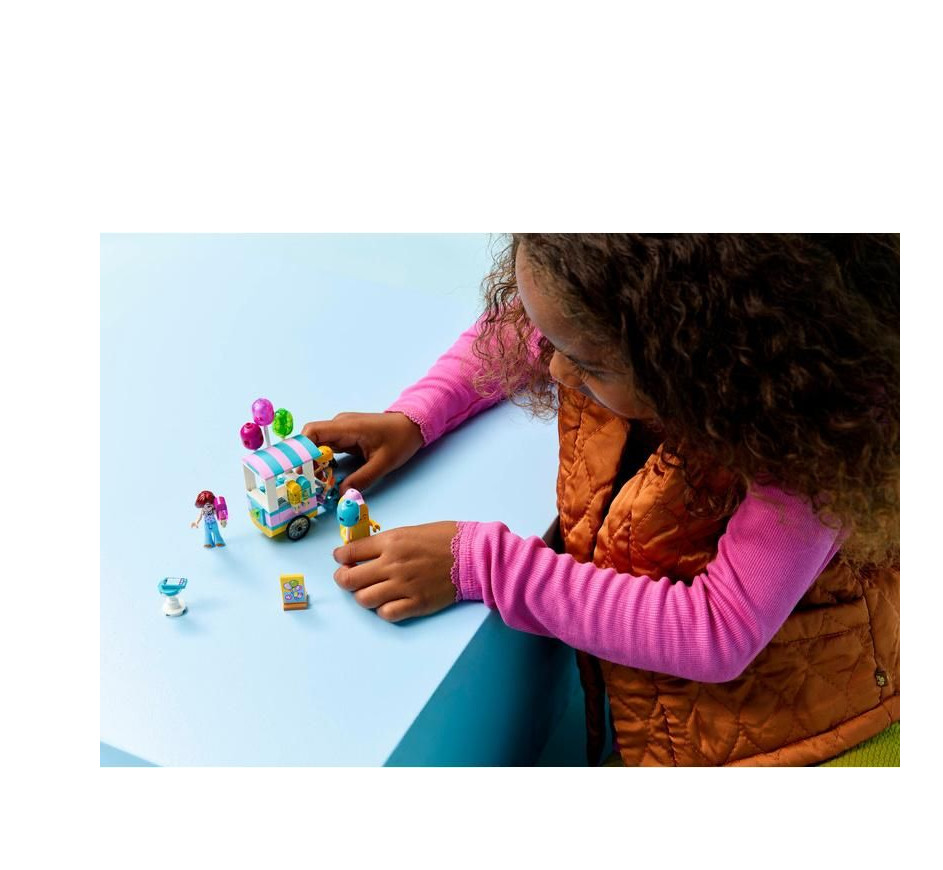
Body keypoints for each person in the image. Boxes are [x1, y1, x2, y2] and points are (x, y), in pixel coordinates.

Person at [303, 234, 900, 766]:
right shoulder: (605, 307)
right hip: (667, 718)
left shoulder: (812, 443)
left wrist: (486, 564)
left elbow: (719, 630)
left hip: (810, 733)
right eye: (554, 341)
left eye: (586, 362)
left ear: (698, 354)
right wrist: (415, 417)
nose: (555, 367)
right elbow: (526, 324)